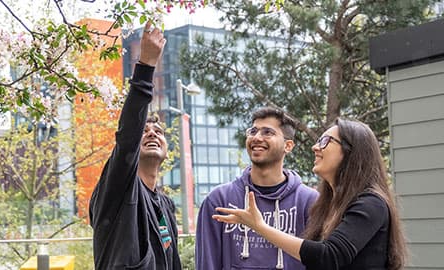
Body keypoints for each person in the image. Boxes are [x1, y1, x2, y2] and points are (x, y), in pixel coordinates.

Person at [213, 118, 408, 270]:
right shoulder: (328, 204)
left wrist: (260, 227)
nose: (315, 147)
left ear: (350, 151)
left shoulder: (371, 204)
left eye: (325, 141)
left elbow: (329, 256)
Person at [89, 22, 182, 269]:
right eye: (145, 130)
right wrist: (146, 67)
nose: (151, 133)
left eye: (158, 131)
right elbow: (128, 137)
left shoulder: (165, 204)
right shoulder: (118, 189)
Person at [195, 107, 319, 270]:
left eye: (267, 132)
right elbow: (207, 263)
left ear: (288, 146)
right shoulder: (219, 200)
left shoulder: (309, 201)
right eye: (253, 131)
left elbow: (319, 261)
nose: (257, 138)